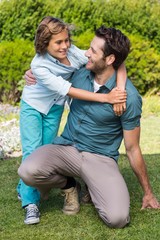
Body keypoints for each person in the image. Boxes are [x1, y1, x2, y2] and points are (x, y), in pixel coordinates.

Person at [18, 25, 160, 228]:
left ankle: (93, 186)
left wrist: (148, 192)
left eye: (93, 51)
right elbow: (53, 69)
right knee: (28, 170)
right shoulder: (80, 73)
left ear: (110, 59)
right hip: (66, 148)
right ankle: (70, 185)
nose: (86, 53)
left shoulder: (128, 98)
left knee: (117, 218)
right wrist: (32, 73)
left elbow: (132, 148)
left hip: (99, 157)